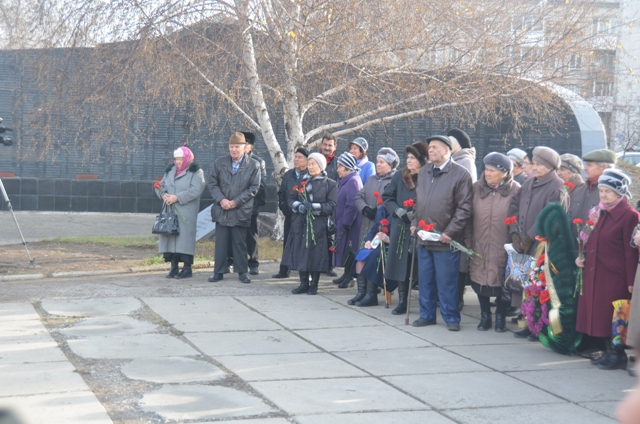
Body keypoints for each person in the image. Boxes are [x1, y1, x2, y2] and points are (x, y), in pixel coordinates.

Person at [576, 169, 638, 370]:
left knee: (617, 314)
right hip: (596, 272)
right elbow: (586, 239)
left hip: (616, 275)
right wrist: (581, 256)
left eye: (608, 192)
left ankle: (618, 354)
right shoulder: (598, 212)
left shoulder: (629, 216)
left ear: (620, 193)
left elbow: (631, 251)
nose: (603, 195)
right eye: (601, 191)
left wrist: (631, 282)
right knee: (601, 315)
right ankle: (607, 350)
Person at [411, 135, 473, 331]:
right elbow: (418, 202)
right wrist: (414, 223)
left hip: (445, 239)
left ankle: (451, 317)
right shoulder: (424, 172)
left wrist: (450, 232)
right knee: (425, 280)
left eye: (435, 147)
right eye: (430, 147)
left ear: (447, 150)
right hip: (424, 236)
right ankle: (426, 315)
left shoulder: (460, 174)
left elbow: (464, 208)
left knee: (447, 282)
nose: (431, 150)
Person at [507, 146, 568, 339]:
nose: (534, 167)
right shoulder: (530, 182)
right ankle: (528, 322)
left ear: (549, 167)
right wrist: (515, 233)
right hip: (524, 244)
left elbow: (552, 217)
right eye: (534, 163)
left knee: (540, 286)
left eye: (538, 164)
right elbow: (514, 205)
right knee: (526, 284)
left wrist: (530, 236)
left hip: (542, 247)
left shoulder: (556, 187)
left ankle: (540, 327)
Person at [469, 152, 520, 332]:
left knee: (502, 283)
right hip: (479, 242)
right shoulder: (476, 188)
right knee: (479, 280)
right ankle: (485, 316)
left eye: (491, 170)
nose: (487, 173)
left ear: (504, 173)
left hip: (503, 245)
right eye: (486, 170)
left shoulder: (515, 190)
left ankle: (500, 316)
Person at [207, 132, 261, 284]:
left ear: (245, 147)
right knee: (221, 242)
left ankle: (242, 272)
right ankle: (218, 271)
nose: (234, 150)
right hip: (222, 209)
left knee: (239, 242)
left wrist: (236, 201)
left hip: (240, 210)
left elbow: (254, 187)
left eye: (237, 147)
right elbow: (212, 183)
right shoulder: (220, 162)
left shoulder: (253, 165)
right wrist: (221, 199)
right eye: (232, 147)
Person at [382, 141, 428, 315]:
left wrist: (417, 216)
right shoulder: (400, 176)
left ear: (422, 160)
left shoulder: (428, 177)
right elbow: (387, 197)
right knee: (402, 264)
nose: (408, 161)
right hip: (401, 225)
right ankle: (402, 301)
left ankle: (425, 302)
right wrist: (398, 210)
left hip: (420, 227)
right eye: (407, 157)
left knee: (418, 265)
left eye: (413, 158)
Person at [283, 153, 338, 295]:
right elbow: (290, 199)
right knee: (301, 251)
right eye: (310, 164)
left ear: (321, 166)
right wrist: (299, 206)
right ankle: (303, 283)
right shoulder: (301, 181)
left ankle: (314, 284)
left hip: (318, 224)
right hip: (300, 223)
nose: (311, 167)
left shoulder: (330, 184)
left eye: (314, 164)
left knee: (316, 253)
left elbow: (331, 205)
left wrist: (313, 207)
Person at [155, 147, 206, 279]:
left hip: (185, 211)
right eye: (176, 159)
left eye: (181, 159)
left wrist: (177, 197)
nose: (178, 162)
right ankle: (174, 266)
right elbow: (161, 185)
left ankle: (187, 268)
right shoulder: (170, 170)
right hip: (170, 210)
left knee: (184, 240)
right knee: (171, 237)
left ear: (188, 158)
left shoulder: (196, 172)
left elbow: (196, 190)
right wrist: (164, 195)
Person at [225, 132, 267, 276]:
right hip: (233, 204)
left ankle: (253, 262)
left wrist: (247, 200)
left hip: (250, 204)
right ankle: (230, 260)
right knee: (232, 233)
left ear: (250, 147)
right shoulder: (230, 161)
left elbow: (260, 186)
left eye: (244, 145)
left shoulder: (257, 162)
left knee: (250, 234)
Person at [448, 128, 477, 311]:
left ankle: (457, 298)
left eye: (450, 141)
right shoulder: (454, 160)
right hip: (451, 217)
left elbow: (464, 193)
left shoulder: (464, 161)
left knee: (459, 260)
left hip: (459, 219)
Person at [272, 147, 308, 279]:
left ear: (306, 160)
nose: (296, 159)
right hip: (290, 215)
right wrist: (285, 209)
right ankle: (284, 269)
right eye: (296, 157)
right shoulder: (288, 175)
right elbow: (281, 194)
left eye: (300, 157)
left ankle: (303, 272)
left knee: (303, 244)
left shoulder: (309, 175)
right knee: (288, 242)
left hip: (304, 217)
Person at [354, 147, 398, 252]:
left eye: (381, 162)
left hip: (382, 227)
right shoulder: (371, 179)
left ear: (390, 165)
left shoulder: (395, 181)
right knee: (362, 252)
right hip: (366, 223)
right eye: (377, 161)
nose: (378, 164)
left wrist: (379, 212)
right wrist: (364, 209)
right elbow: (358, 196)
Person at [348, 206, 392, 307]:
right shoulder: (381, 210)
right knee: (361, 254)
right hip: (377, 244)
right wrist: (368, 240)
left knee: (373, 256)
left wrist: (388, 239)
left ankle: (371, 295)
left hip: (390, 246)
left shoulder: (397, 212)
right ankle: (362, 292)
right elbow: (374, 229)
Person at [332, 152, 364, 288]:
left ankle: (351, 276)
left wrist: (346, 222)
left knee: (351, 249)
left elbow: (352, 204)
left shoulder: (353, 181)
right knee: (346, 249)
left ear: (348, 168)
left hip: (351, 224)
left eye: (340, 167)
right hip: (344, 222)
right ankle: (346, 274)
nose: (337, 169)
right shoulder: (346, 181)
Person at [568, 149, 617, 229]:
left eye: (589, 165)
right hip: (575, 240)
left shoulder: (614, 194)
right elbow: (570, 216)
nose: (585, 168)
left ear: (604, 167)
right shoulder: (580, 190)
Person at [320, 132, 339, 277]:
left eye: (330, 145)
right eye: (325, 144)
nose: (327, 148)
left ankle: (330, 265)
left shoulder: (337, 164)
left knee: (330, 236)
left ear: (335, 147)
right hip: (317, 204)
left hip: (332, 204)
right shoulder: (314, 160)